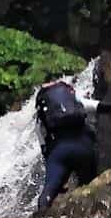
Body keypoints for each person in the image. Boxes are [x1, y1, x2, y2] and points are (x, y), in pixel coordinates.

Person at [35, 80, 100, 210]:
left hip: (59, 154)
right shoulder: (77, 102)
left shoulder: (41, 115)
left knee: (48, 193)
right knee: (90, 185)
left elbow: (44, 147)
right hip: (84, 149)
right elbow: (102, 107)